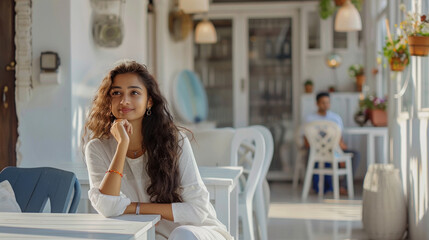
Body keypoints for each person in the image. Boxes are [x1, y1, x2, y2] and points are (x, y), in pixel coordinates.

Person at [82, 60, 232, 240]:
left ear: (149, 101)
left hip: (194, 232)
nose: (124, 100)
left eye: (134, 92)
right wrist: (122, 145)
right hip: (150, 236)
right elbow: (106, 207)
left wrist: (133, 208)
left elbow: (198, 210)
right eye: (116, 93)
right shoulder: (97, 148)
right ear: (108, 100)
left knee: (181, 234)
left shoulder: (174, 141)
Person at [305, 92, 360, 195]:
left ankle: (343, 186)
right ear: (317, 103)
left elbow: (340, 139)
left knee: (355, 154)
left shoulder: (335, 118)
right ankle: (316, 185)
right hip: (317, 151)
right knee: (309, 153)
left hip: (335, 149)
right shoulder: (310, 119)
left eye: (327, 102)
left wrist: (341, 153)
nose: (325, 105)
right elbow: (307, 141)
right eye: (323, 103)